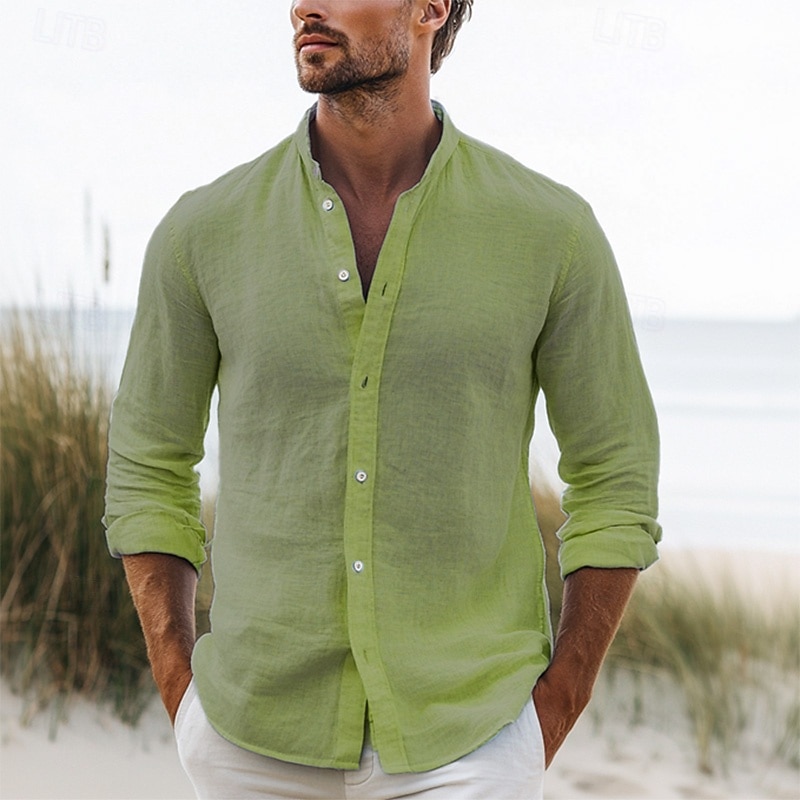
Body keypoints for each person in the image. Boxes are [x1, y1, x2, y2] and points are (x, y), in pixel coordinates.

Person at [104, 1, 661, 798]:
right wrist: (178, 682)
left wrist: (556, 704)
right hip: (247, 738)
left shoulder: (552, 233)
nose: (305, 7)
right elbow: (149, 465)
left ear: (431, 8)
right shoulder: (202, 233)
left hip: (469, 741)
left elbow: (615, 477)